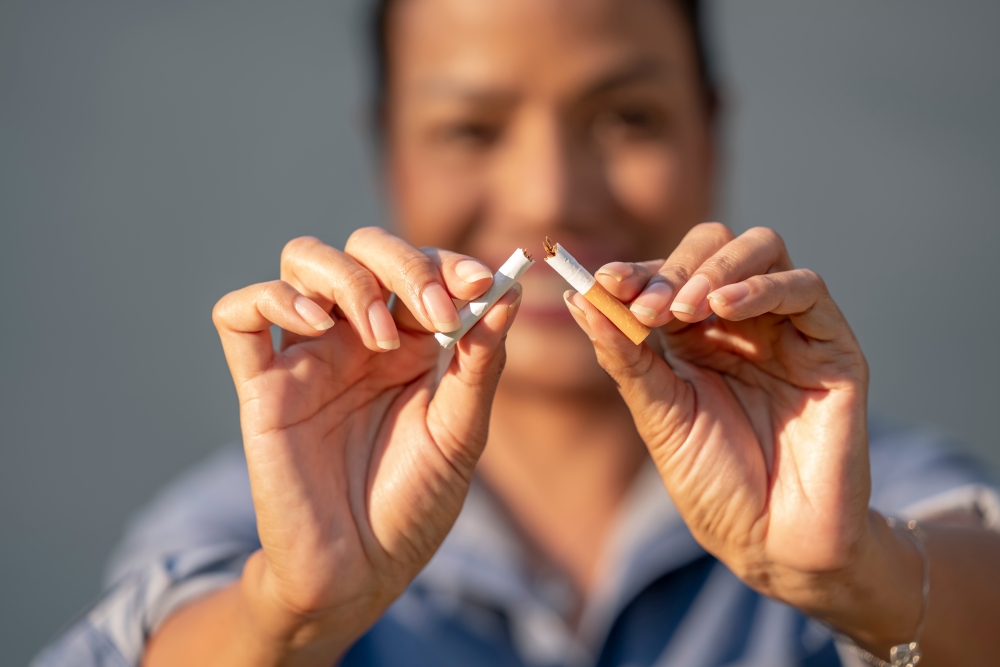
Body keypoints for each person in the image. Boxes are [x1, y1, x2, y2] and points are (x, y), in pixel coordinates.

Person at [35, 1, 1000, 665]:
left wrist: (860, 573)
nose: (550, 197)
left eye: (628, 116)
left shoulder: (844, 479)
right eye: (472, 128)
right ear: (390, 149)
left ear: (710, 133)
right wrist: (284, 615)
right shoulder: (252, 522)